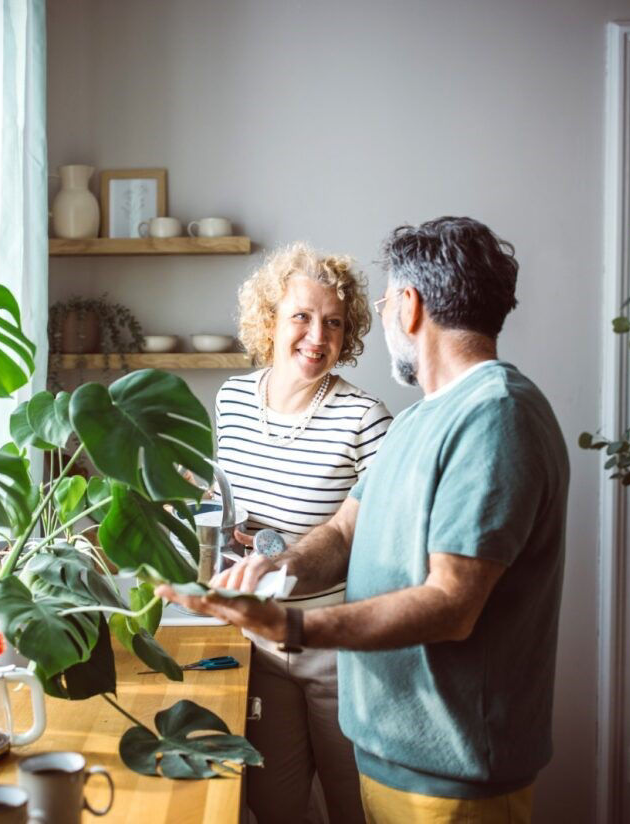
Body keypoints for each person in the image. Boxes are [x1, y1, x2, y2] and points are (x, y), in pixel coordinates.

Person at [165, 217, 569, 824]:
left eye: (375, 306)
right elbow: (345, 530)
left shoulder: (495, 417)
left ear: (408, 306)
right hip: (394, 748)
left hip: (452, 773)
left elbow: (453, 605)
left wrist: (294, 628)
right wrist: (281, 567)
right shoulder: (419, 420)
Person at [216, 243, 392, 824]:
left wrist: (283, 550)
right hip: (258, 644)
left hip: (336, 647)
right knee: (273, 806)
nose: (318, 336)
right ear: (269, 320)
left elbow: (378, 543)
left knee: (354, 806)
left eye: (335, 323)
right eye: (302, 316)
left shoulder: (365, 418)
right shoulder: (233, 400)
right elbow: (227, 509)